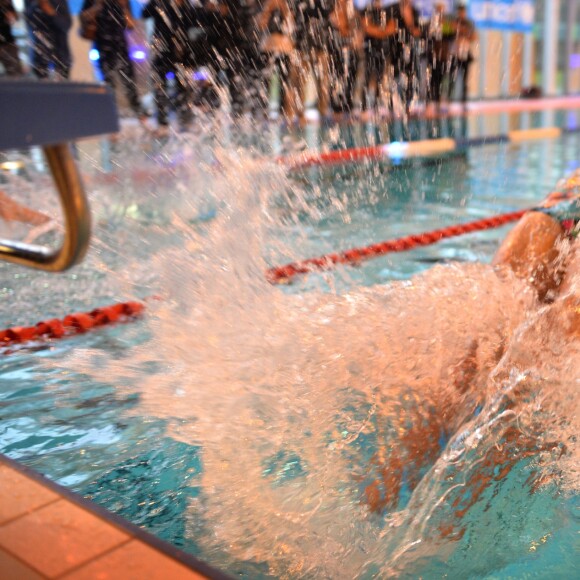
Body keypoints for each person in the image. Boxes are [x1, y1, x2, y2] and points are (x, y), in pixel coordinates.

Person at [80, 0, 146, 119]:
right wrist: (97, 6)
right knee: (108, 83)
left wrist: (124, 7)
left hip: (120, 45)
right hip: (103, 46)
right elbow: (84, 17)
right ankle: (110, 115)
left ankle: (138, 112)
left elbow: (130, 25)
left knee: (129, 80)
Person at [142, 0, 199, 131]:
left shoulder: (187, 7)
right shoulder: (161, 4)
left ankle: (185, 121)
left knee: (183, 87)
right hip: (162, 53)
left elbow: (193, 25)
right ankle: (162, 123)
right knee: (160, 87)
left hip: (181, 54)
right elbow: (144, 14)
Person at [292, 0, 334, 125]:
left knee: (323, 78)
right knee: (302, 79)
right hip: (305, 38)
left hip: (320, 38)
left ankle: (322, 111)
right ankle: (301, 113)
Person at [257, 0, 295, 121]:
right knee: (266, 80)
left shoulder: (287, 5)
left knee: (284, 81)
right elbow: (260, 24)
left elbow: (291, 26)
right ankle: (266, 109)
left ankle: (281, 111)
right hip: (268, 47)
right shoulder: (266, 5)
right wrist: (268, 8)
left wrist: (284, 7)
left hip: (284, 48)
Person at [361, 0, 395, 114]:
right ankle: (367, 107)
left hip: (385, 49)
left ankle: (385, 105)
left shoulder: (389, 9)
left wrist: (379, 31)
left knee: (385, 77)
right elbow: (367, 27)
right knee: (369, 77)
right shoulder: (367, 10)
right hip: (371, 49)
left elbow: (392, 28)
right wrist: (382, 32)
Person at [387, 0, 421, 114]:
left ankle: (408, 105)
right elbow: (390, 29)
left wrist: (409, 20)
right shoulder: (393, 9)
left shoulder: (414, 11)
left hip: (409, 48)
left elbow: (417, 31)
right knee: (394, 76)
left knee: (410, 75)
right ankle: (392, 106)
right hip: (395, 48)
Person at [25, 0, 71, 79]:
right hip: (40, 56)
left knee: (62, 87)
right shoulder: (32, 3)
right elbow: (28, 22)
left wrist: (51, 12)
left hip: (60, 54)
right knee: (41, 85)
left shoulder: (60, 2)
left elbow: (67, 24)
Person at [448, 2, 476, 108]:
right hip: (455, 53)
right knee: (452, 78)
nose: (461, 14)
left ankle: (464, 101)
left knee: (465, 79)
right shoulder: (453, 22)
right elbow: (448, 34)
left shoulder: (469, 23)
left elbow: (474, 37)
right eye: (460, 12)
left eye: (463, 12)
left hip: (465, 54)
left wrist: (462, 31)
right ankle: (449, 100)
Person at [0, 0, 23, 76]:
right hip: (6, 43)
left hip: (8, 42)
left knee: (15, 72)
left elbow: (15, 16)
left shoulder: (7, 5)